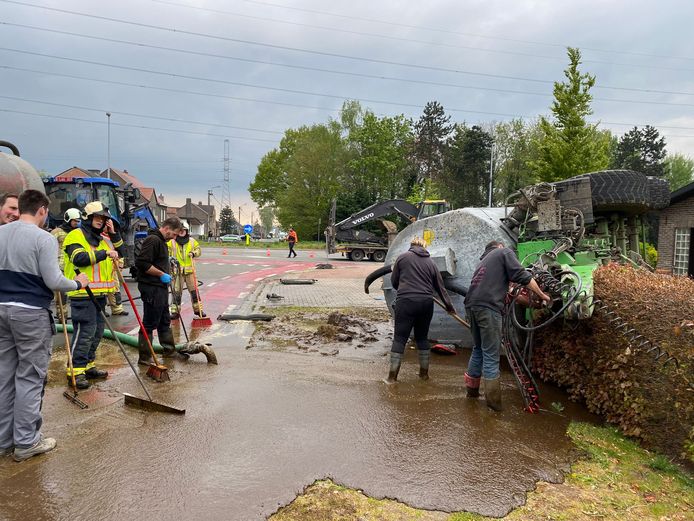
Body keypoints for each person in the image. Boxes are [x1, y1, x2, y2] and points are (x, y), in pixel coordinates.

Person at [0, 189, 89, 462]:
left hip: (2, 310)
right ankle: (26, 442)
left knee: (5, 375)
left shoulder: (1, 233)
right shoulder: (43, 238)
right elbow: (54, 280)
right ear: (41, 210)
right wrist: (78, 283)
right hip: (30, 314)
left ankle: (4, 442)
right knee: (29, 376)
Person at [463, 241, 551, 411]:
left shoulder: (483, 262)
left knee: (478, 348)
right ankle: (493, 404)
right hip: (488, 308)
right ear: (500, 246)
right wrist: (542, 295)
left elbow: (510, 292)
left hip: (471, 306)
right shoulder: (504, 253)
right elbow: (524, 277)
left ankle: (472, 393)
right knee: (491, 354)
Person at [63, 202, 125, 390]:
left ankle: (88, 365)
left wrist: (114, 234)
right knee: (85, 332)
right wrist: (104, 253)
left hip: (99, 294)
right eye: (98, 218)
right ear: (88, 218)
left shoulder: (104, 238)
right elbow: (79, 258)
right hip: (82, 293)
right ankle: (75, 370)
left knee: (97, 332)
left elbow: (121, 252)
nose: (101, 221)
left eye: (104, 218)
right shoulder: (76, 235)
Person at [385, 237, 455, 383]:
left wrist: (404, 289)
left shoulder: (403, 258)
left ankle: (392, 378)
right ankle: (424, 374)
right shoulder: (431, 263)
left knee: (400, 338)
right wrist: (449, 307)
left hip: (406, 302)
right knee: (422, 338)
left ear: (411, 245)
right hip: (426, 303)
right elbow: (440, 287)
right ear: (424, 247)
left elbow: (394, 281)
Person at [135, 217, 183, 365]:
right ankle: (145, 357)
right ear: (167, 228)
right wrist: (161, 274)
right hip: (151, 287)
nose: (174, 237)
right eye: (174, 234)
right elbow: (142, 263)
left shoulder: (162, 242)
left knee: (164, 320)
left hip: (160, 287)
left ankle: (169, 350)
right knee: (149, 323)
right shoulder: (153, 240)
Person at [168, 221, 203, 319]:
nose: (182, 232)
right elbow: (167, 252)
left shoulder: (192, 241)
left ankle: (198, 310)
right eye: (180, 230)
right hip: (177, 272)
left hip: (189, 272)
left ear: (187, 231)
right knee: (177, 292)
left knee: (194, 292)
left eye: (184, 230)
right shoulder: (172, 242)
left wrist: (194, 253)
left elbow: (199, 250)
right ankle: (175, 312)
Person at [51, 208, 81, 321]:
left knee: (76, 292)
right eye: (75, 221)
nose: (77, 223)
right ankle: (62, 315)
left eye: (78, 221)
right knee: (61, 294)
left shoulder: (78, 233)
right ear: (68, 219)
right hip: (60, 267)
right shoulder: (57, 232)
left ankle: (77, 315)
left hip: (74, 267)